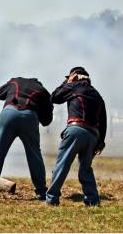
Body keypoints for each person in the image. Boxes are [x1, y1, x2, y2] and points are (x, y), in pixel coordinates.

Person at [0, 77, 54, 200]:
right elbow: (47, 121)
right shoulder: (43, 91)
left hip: (9, 113)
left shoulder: (15, 81)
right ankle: (41, 192)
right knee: (34, 154)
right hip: (29, 116)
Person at [46, 67, 106, 206]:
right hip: (93, 136)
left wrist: (67, 83)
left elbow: (54, 97)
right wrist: (100, 141)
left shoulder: (73, 87)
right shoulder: (97, 95)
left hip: (76, 130)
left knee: (62, 165)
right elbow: (103, 120)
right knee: (85, 169)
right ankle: (93, 201)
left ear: (75, 77)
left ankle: (52, 199)